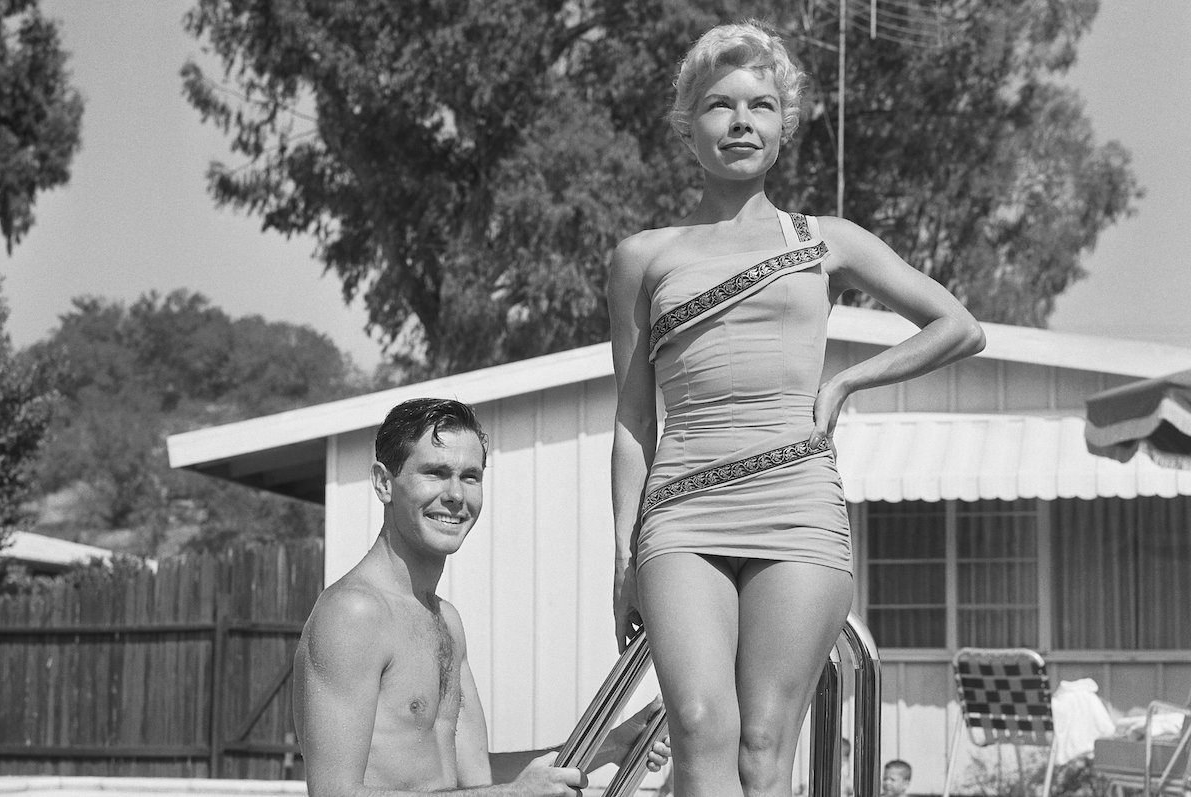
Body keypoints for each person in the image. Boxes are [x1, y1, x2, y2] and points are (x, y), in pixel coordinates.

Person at [607, 19, 985, 797]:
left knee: (763, 743)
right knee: (699, 723)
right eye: (720, 105)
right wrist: (623, 551)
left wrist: (845, 383)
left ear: (784, 127)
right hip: (680, 510)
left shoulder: (826, 240)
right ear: (689, 127)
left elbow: (960, 326)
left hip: (797, 503)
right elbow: (632, 420)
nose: (741, 122)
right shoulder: (643, 255)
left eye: (762, 106)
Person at [294, 398, 669, 797]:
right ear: (384, 483)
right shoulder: (354, 613)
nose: (455, 494)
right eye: (435, 473)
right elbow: (333, 793)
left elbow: (474, 779)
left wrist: (610, 745)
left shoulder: (446, 622)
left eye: (470, 476)